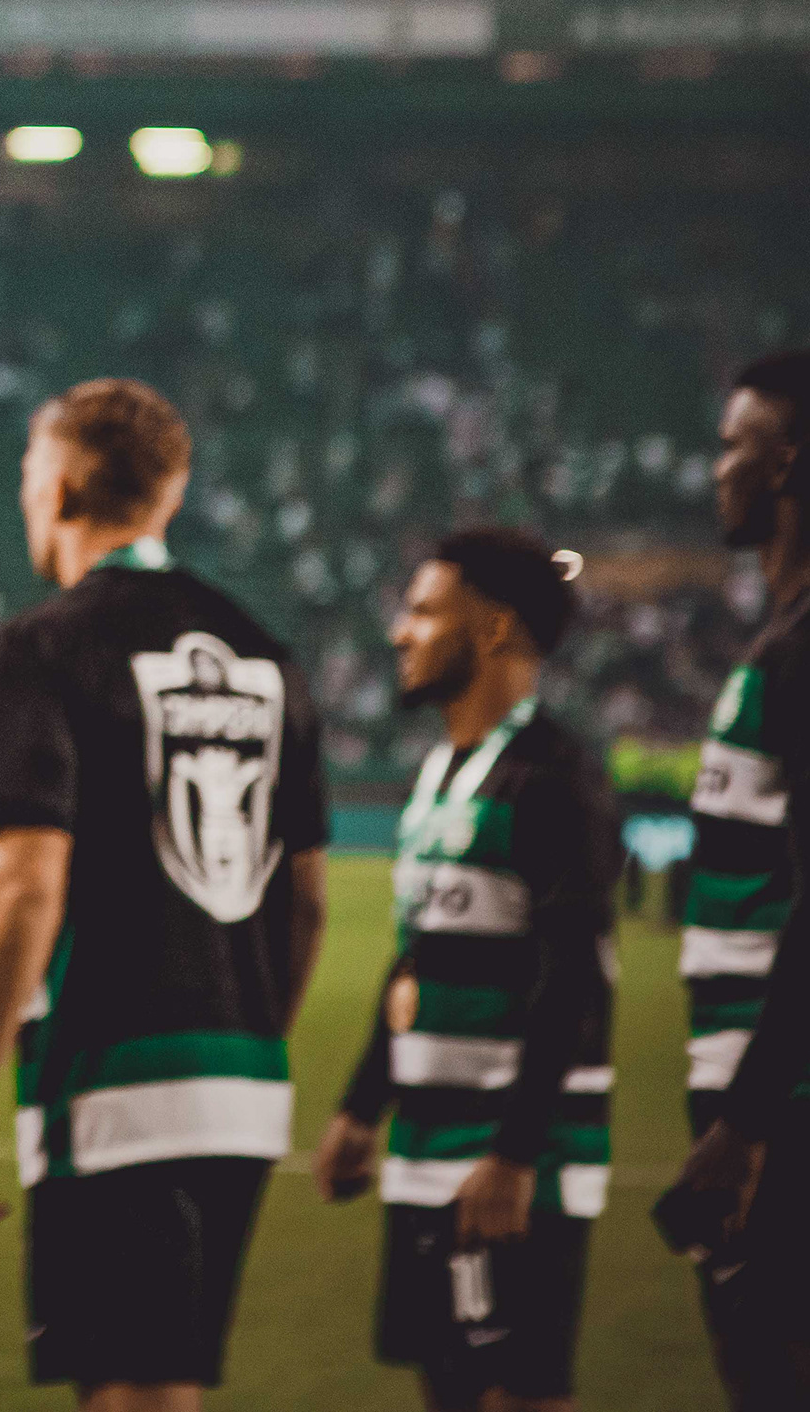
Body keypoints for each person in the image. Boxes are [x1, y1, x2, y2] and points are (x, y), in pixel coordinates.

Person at [0, 377, 332, 1412]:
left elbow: (24, 881)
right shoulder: (266, 650)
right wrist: (250, 1036)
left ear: (61, 488)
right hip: (245, 1081)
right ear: (172, 493)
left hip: (113, 1080)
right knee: (159, 1374)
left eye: (30, 473)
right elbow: (307, 898)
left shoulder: (47, 643)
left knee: (131, 1389)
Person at [314, 524, 615, 1412]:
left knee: (515, 1394)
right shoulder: (443, 772)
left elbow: (575, 975)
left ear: (492, 627)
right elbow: (419, 957)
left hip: (510, 1164)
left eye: (422, 611)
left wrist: (515, 1153)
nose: (399, 631)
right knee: (447, 1388)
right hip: (426, 1153)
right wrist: (364, 1104)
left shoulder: (553, 774)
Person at [663, 344, 810, 1412]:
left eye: (735, 445)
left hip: (805, 1098)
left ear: (793, 460)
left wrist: (745, 1122)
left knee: (788, 1380)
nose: (718, 469)